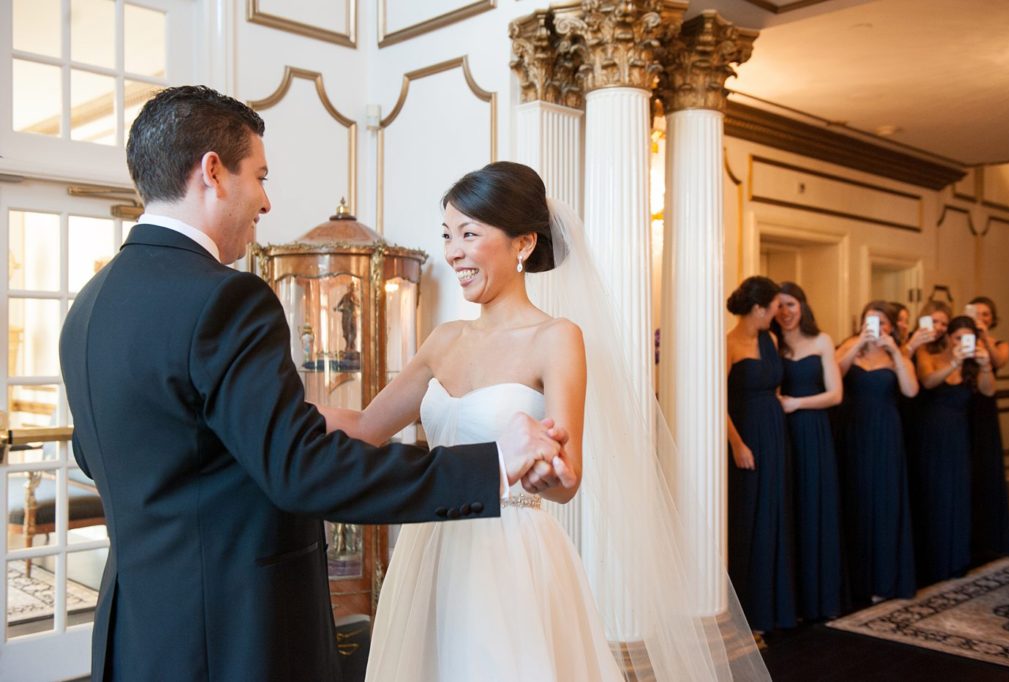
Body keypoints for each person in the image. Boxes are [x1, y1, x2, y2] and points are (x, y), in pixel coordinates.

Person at [58, 87, 567, 682]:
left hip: (136, 633)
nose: (267, 201)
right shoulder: (224, 298)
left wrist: (281, 422)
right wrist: (490, 463)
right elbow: (303, 470)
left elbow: (96, 455)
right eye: (260, 176)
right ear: (213, 173)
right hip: (230, 633)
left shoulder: (89, 305)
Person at [320, 162, 770, 681]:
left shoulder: (557, 337)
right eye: (448, 235)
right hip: (431, 547)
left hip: (509, 552)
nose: (454, 252)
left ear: (523, 244)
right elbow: (363, 428)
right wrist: (276, 406)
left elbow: (567, 479)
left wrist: (543, 470)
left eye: (470, 234)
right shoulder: (444, 340)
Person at [726, 276, 797, 634]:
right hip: (747, 436)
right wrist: (738, 445)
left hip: (774, 433)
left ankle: (776, 608)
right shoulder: (729, 344)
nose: (778, 313)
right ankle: (747, 611)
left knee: (775, 512)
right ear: (758, 308)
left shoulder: (769, 340)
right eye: (774, 307)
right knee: (749, 516)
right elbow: (716, 402)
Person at [836, 301, 918, 606]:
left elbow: (911, 390)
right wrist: (857, 344)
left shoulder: (898, 353)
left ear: (891, 327)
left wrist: (896, 352)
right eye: (870, 322)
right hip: (854, 431)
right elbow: (835, 375)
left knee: (885, 501)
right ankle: (857, 580)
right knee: (856, 499)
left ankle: (886, 579)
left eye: (882, 323)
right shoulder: (848, 346)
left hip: (885, 433)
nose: (876, 328)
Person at [771, 282, 843, 621]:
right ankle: (792, 601)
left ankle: (821, 598)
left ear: (802, 305)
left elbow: (835, 395)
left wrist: (797, 403)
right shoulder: (771, 343)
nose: (785, 312)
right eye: (780, 306)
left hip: (814, 431)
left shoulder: (822, 341)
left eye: (791, 305)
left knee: (817, 506)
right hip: (782, 433)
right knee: (791, 508)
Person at [913, 315, 995, 584]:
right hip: (931, 434)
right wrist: (954, 362)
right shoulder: (930, 355)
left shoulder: (974, 365)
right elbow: (928, 381)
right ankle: (933, 561)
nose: (962, 343)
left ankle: (957, 559)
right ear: (948, 337)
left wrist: (984, 366)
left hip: (960, 436)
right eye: (958, 338)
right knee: (934, 494)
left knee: (958, 494)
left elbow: (988, 391)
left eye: (967, 338)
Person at [967, 296, 1009, 563]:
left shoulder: (998, 344)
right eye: (977, 313)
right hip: (964, 407)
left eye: (986, 314)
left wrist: (984, 336)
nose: (981, 318)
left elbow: (999, 361)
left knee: (987, 467)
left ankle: (992, 537)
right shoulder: (963, 344)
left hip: (985, 408)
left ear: (992, 318)